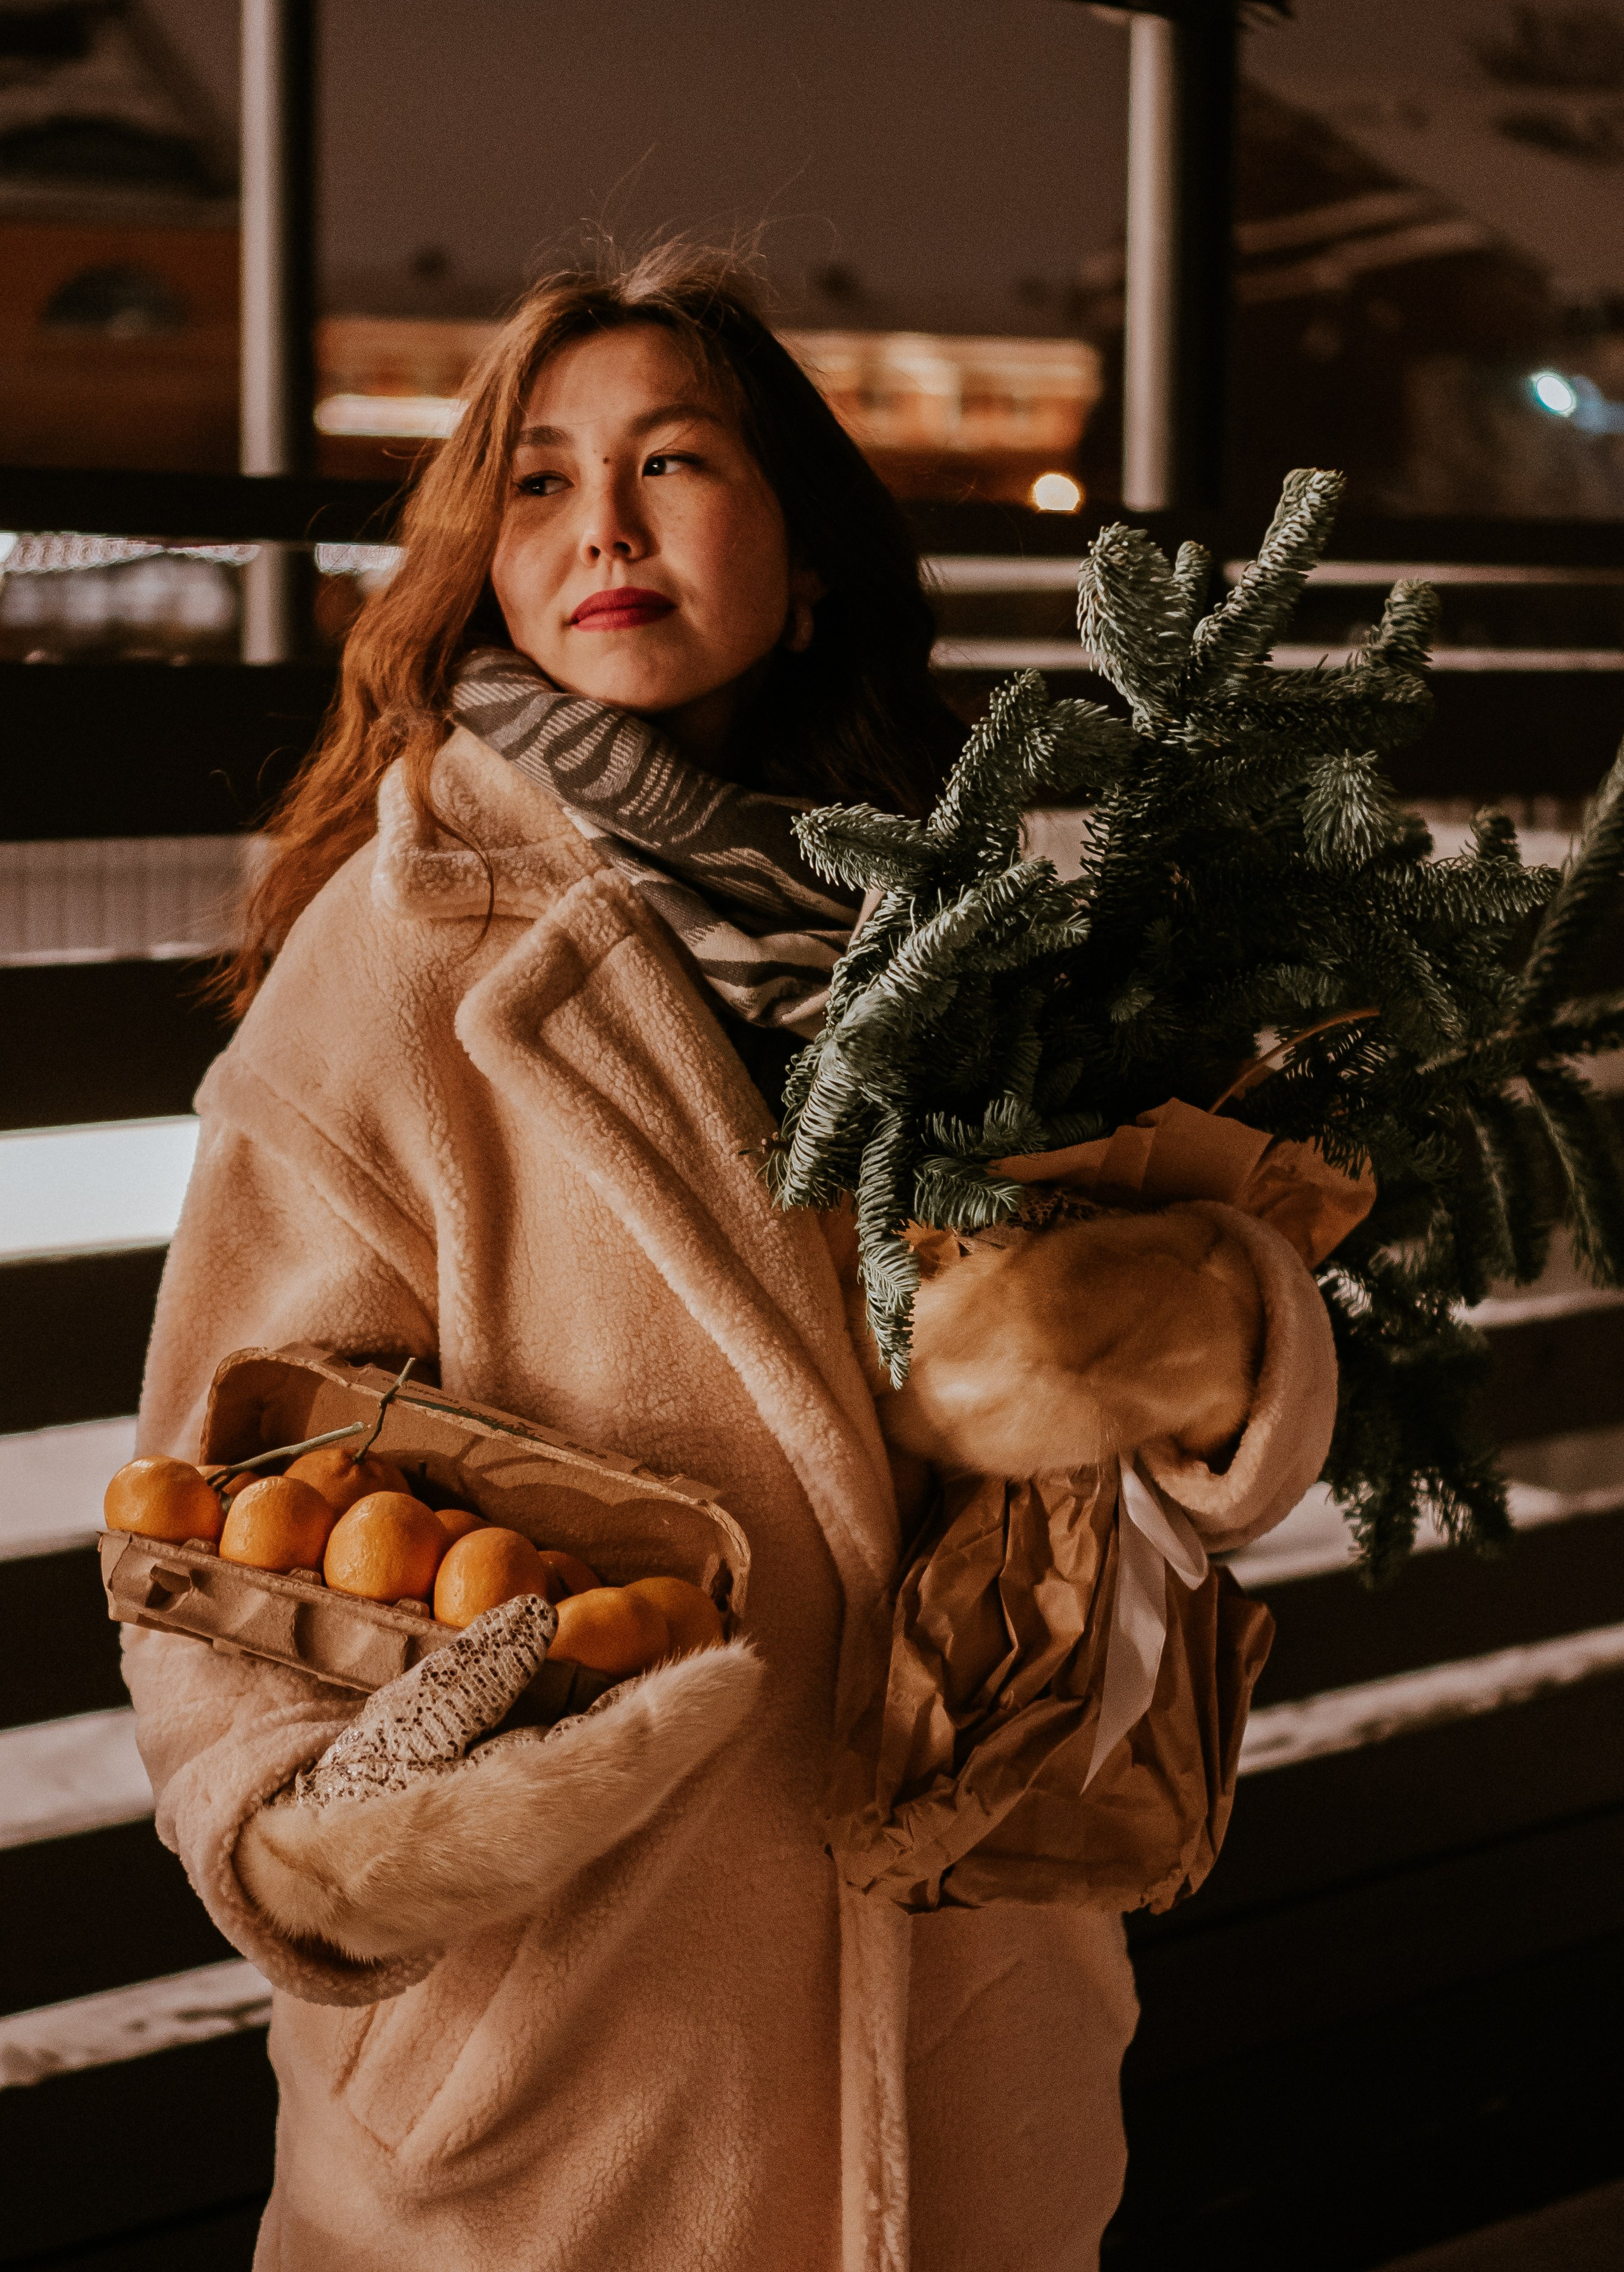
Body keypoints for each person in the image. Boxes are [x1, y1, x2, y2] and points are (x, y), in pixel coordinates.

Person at [123, 245, 1139, 2272]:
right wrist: (332, 1839)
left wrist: (1220, 1351)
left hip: (966, 1999)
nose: (602, 524)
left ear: (808, 547)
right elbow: (212, 1510)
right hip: (569, 2051)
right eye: (536, 480)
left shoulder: (986, 929)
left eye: (672, 461)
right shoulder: (399, 954)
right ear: (486, 563)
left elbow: (1167, 1345)